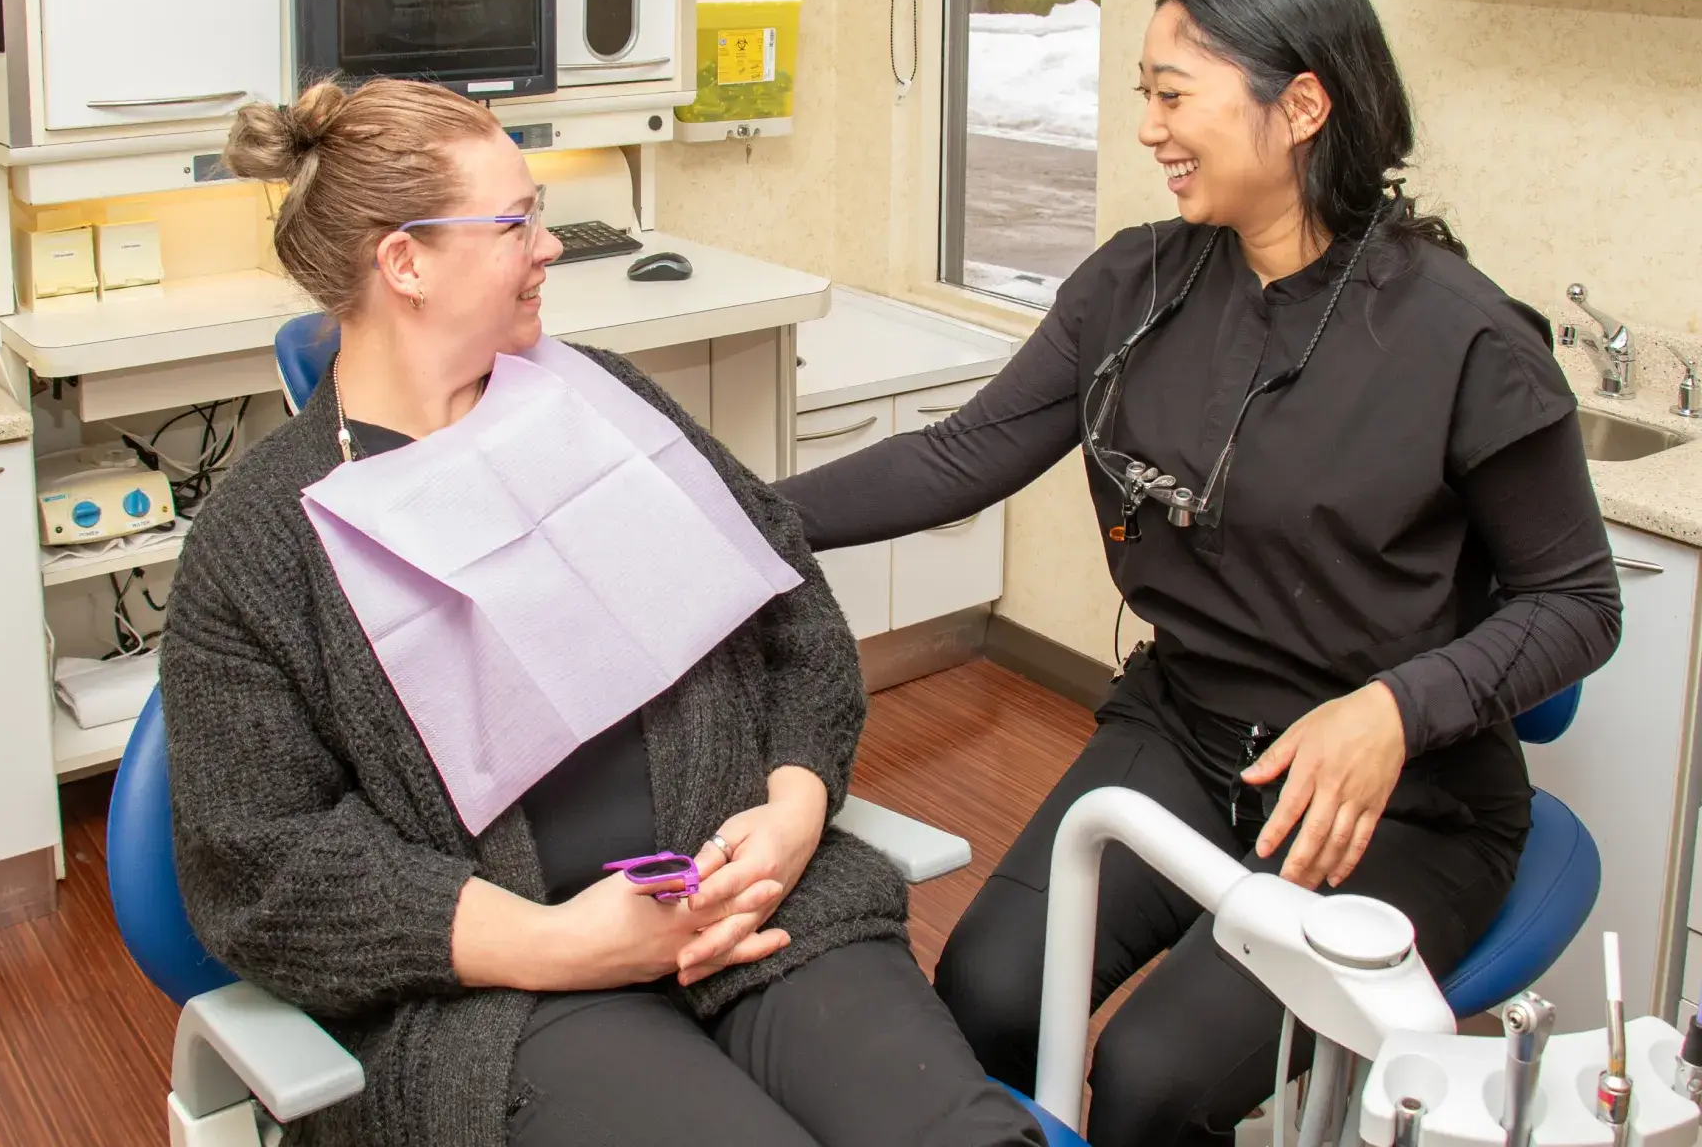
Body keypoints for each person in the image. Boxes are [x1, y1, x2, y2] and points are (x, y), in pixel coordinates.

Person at [776, 0, 1623, 1146]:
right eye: (1142, 93)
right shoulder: (1137, 284)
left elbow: (1578, 604)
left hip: (1396, 797)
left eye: (1173, 93)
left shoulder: (1466, 341)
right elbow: (960, 456)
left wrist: (1393, 709)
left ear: (1301, 105)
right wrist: (742, 512)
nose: (1147, 128)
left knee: (1153, 1080)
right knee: (984, 994)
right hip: (1182, 732)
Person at [157, 77, 1046, 1147]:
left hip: (759, 904)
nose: (547, 247)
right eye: (514, 221)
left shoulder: (608, 405)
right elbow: (263, 863)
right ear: (405, 263)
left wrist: (794, 808)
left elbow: (792, 614)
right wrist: (568, 946)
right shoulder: (261, 544)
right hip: (511, 998)